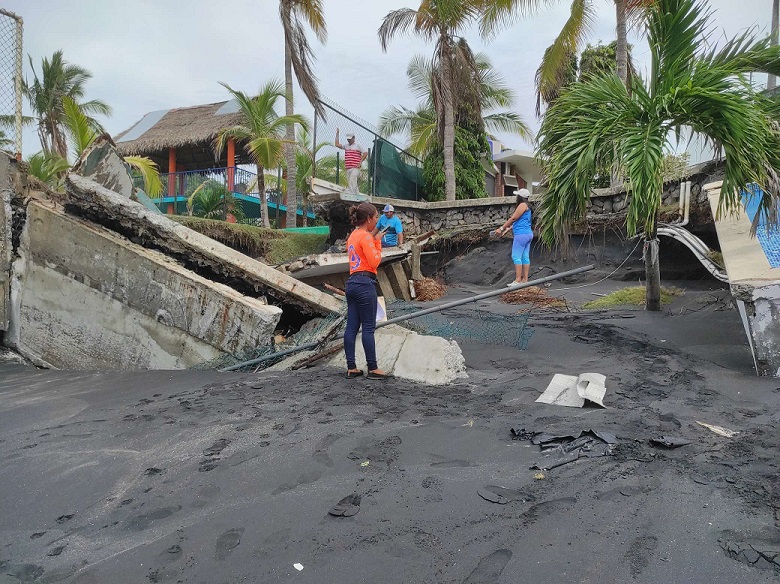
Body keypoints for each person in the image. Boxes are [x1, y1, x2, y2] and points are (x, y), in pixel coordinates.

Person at [344, 202, 391, 380]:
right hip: (365, 283)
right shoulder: (365, 237)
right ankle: (373, 368)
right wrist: (377, 243)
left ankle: (351, 367)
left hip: (352, 282)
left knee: (351, 327)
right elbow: (374, 262)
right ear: (369, 219)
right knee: (368, 328)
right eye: (376, 217)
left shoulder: (352, 236)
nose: (377, 220)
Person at [496, 188, 533, 286]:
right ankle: (525, 280)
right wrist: (508, 229)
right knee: (525, 257)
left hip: (521, 235)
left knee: (516, 256)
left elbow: (513, 218)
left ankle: (517, 280)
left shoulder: (522, 205)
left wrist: (502, 228)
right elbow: (519, 221)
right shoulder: (528, 206)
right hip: (528, 234)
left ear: (520, 197)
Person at [335, 128, 368, 195]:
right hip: (348, 167)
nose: (349, 140)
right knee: (353, 181)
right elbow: (337, 144)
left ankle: (351, 192)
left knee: (352, 178)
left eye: (350, 139)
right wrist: (337, 134)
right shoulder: (346, 146)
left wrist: (360, 162)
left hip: (355, 167)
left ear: (353, 138)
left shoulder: (358, 146)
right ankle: (357, 194)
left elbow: (365, 153)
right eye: (348, 139)